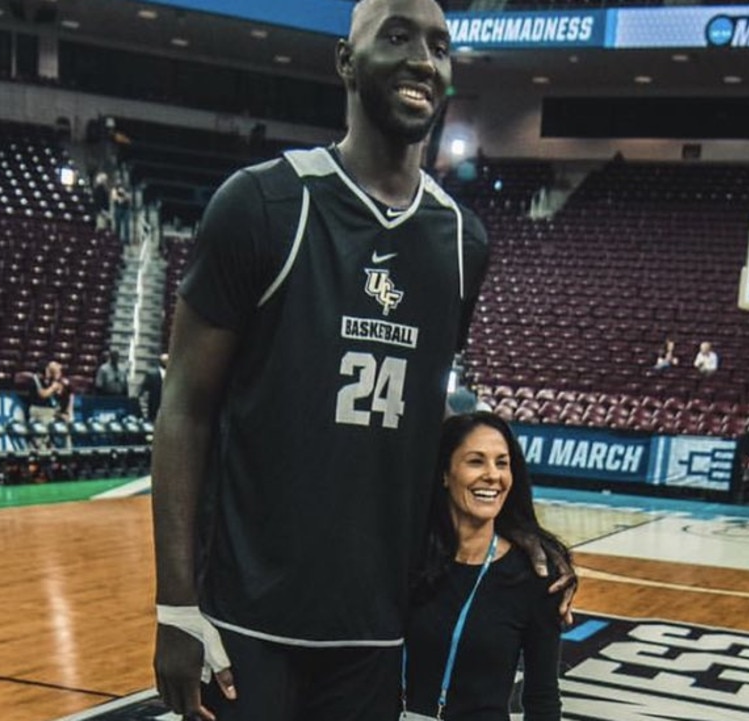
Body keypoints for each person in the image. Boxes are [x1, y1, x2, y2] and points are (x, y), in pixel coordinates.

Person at [151, 2, 574, 719]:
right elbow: (185, 408)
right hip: (250, 617)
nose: (422, 60)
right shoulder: (262, 204)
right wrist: (175, 604)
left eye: (440, 47)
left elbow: (429, 413)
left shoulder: (462, 242)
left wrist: (518, 527)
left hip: (379, 622)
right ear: (345, 62)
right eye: (398, 37)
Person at [403, 412, 566, 721]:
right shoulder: (405, 559)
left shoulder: (536, 576)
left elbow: (542, 699)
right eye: (476, 461)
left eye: (502, 463)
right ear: (445, 473)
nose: (493, 475)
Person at [139, 353, 167, 423]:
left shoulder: (173, 376)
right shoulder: (152, 375)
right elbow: (143, 393)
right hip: (154, 411)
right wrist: (145, 412)